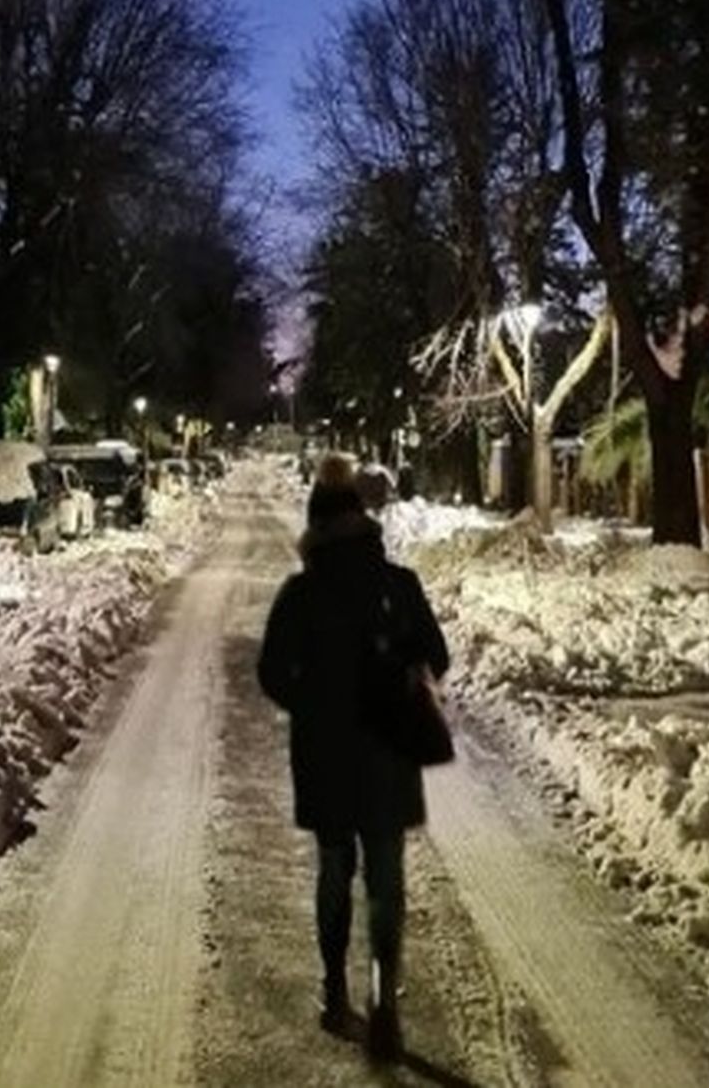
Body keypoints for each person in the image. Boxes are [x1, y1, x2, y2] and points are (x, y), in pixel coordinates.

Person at [256, 454, 450, 1062]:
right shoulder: (400, 585)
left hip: (325, 754)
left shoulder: (300, 593)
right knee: (386, 878)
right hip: (390, 749)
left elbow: (270, 673)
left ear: (314, 531)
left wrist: (311, 704)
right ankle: (383, 996)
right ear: (364, 523)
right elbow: (437, 657)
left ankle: (335, 987)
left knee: (334, 867)